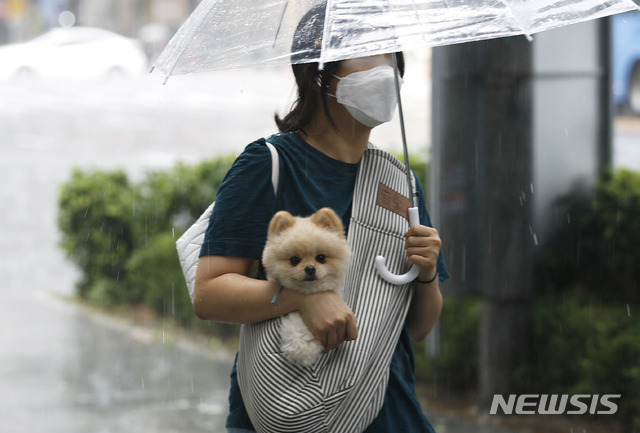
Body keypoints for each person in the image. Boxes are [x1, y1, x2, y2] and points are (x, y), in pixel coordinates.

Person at [193, 4, 448, 432]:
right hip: (287, 408)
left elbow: (419, 328)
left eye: (391, 55)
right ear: (317, 74)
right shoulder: (269, 164)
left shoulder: (400, 181)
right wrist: (299, 297)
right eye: (368, 51)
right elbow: (210, 293)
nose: (384, 68)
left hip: (390, 413)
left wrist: (426, 274)